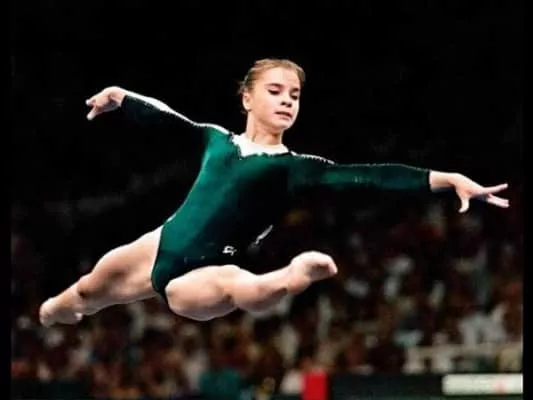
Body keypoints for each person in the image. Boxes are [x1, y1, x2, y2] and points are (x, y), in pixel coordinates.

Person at [39, 58, 509, 327]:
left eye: (295, 95)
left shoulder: (295, 168)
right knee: (86, 291)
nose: (287, 100)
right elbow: (170, 119)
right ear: (247, 98)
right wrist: (122, 97)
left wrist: (444, 178)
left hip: (205, 274)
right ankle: (59, 310)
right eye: (276, 91)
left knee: (240, 286)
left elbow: (370, 176)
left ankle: (290, 276)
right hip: (158, 245)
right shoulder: (216, 140)